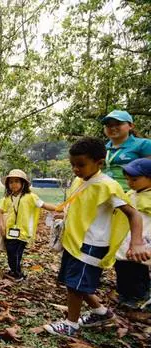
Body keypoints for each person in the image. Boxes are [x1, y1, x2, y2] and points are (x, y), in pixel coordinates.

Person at [44, 137, 149, 337]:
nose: (75, 169)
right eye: (72, 165)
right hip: (74, 241)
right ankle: (100, 312)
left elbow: (133, 214)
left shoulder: (108, 186)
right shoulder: (79, 180)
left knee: (75, 286)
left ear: (99, 162)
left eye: (81, 165)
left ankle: (70, 324)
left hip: (91, 244)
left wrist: (137, 242)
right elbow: (82, 206)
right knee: (74, 281)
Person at [0, 169, 59, 281]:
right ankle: (15, 271)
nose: (13, 184)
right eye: (11, 182)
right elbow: (1, 212)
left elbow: (44, 205)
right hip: (9, 231)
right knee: (11, 253)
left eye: (16, 181)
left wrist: (59, 208)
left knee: (17, 253)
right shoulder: (6, 199)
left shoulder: (31, 197)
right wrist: (2, 225)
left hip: (23, 231)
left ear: (23, 183)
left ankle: (16, 274)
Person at [114, 158, 151, 310]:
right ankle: (124, 295)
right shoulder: (131, 193)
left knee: (137, 270)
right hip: (125, 239)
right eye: (127, 179)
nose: (130, 182)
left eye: (134, 179)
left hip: (142, 240)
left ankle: (138, 297)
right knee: (122, 268)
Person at [102, 110, 151, 190]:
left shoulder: (144, 144)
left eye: (118, 124)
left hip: (132, 196)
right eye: (108, 125)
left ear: (131, 125)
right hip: (104, 195)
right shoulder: (101, 148)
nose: (113, 128)